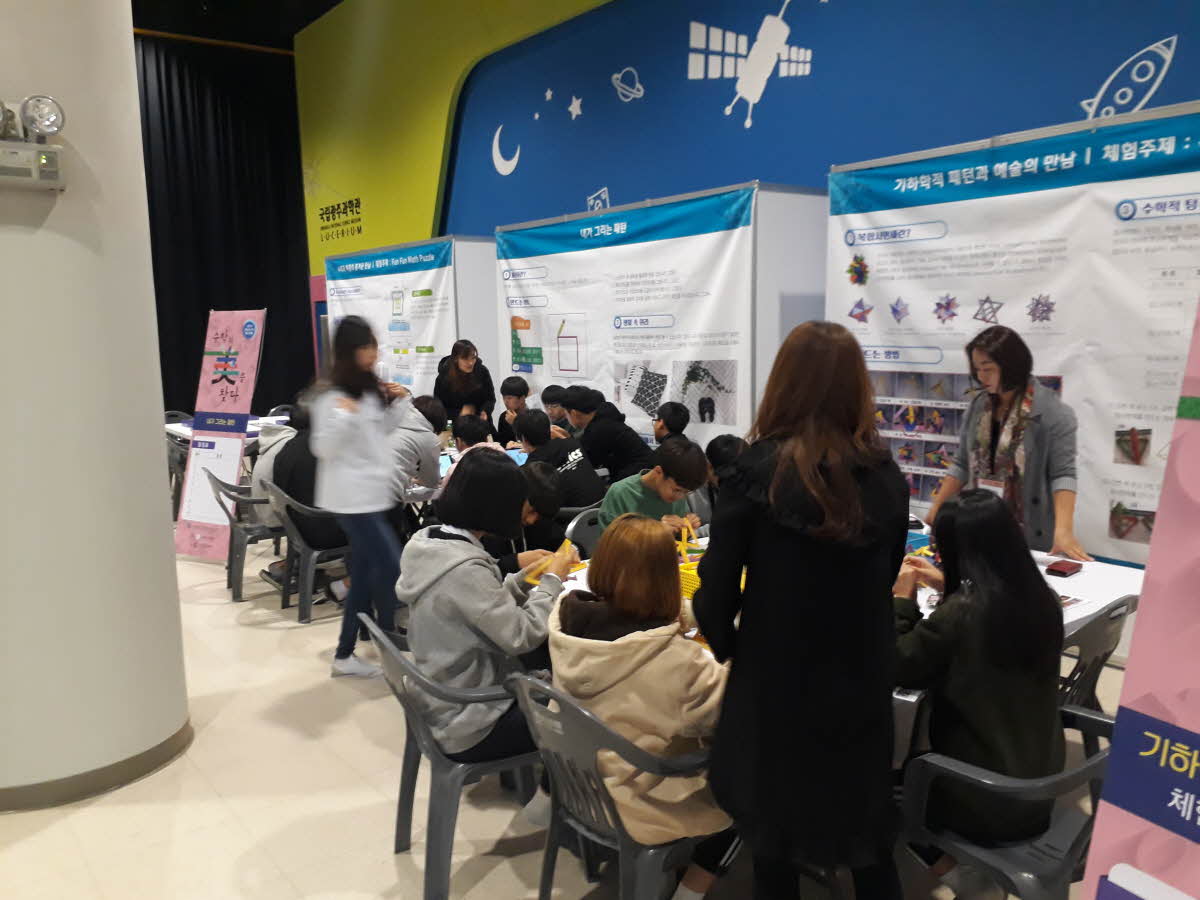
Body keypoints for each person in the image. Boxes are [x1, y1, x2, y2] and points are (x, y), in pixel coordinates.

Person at [693, 321, 908, 900]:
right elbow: (886, 575)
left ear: (783, 383)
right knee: (865, 832)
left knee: (773, 839)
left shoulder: (753, 472)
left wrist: (733, 648)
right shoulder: (885, 475)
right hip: (859, 675)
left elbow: (716, 588)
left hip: (775, 678)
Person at [549, 514, 740, 900]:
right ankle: (690, 892)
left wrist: (687, 615)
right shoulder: (680, 663)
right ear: (668, 578)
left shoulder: (566, 622)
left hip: (580, 783)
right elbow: (733, 716)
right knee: (751, 794)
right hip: (644, 799)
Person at [894, 490, 1065, 898]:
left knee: (880, 794)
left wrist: (902, 600)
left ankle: (966, 880)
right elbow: (988, 614)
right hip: (1041, 786)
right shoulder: (1043, 600)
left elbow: (899, 665)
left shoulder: (962, 615)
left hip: (987, 797)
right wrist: (948, 586)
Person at [395, 449, 573, 761]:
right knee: (586, 713)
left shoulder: (430, 541)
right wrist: (552, 581)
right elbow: (521, 636)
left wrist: (524, 578)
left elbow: (480, 602)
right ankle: (555, 790)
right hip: (471, 718)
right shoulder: (465, 569)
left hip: (444, 699)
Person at [927, 325, 1088, 560]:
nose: (981, 377)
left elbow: (1063, 474)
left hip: (1027, 533)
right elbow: (961, 463)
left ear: (1011, 366)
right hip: (979, 523)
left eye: (988, 369)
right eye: (977, 369)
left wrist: (1063, 530)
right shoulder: (979, 406)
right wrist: (936, 507)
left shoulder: (1052, 411)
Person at [311, 316, 411, 678]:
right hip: (352, 501)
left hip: (374, 497)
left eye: (374, 345)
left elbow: (380, 433)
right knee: (392, 568)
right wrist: (343, 417)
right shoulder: (332, 397)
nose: (374, 353)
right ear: (350, 350)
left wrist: (399, 403)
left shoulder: (368, 390)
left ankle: (351, 651)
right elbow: (322, 447)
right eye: (367, 346)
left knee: (369, 573)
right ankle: (383, 639)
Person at [267, 397, 350, 604]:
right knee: (388, 525)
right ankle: (351, 585)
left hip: (295, 530)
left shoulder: (287, 448)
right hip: (322, 531)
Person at [598, 439, 707, 532]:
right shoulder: (620, 493)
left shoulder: (677, 488)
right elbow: (609, 544)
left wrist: (687, 529)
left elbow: (677, 537)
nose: (680, 497)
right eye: (677, 490)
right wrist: (657, 531)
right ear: (658, 472)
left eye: (686, 492)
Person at [481, 462, 568, 575]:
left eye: (539, 514)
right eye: (531, 511)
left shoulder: (540, 519)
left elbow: (563, 545)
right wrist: (516, 562)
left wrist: (572, 551)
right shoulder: (485, 524)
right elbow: (475, 573)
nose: (531, 521)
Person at [513, 409, 606, 508]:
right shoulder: (572, 443)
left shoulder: (530, 470)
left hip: (571, 514)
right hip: (604, 503)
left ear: (523, 438)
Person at [386, 395, 447, 541]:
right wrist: (419, 479)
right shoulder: (428, 438)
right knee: (391, 543)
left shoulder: (392, 422)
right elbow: (431, 482)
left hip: (359, 488)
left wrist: (411, 478)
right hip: (387, 496)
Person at [564, 385, 655, 481]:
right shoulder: (605, 419)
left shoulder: (598, 428)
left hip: (639, 477)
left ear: (573, 413)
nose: (566, 418)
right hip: (641, 472)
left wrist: (565, 441)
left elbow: (579, 463)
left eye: (566, 414)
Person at [689, 434, 748, 534]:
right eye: (726, 479)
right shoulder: (690, 489)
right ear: (708, 467)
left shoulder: (753, 486)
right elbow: (686, 532)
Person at [434, 338, 496, 423]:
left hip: (480, 422)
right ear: (456, 359)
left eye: (473, 358)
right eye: (465, 359)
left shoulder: (482, 371)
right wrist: (460, 413)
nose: (470, 363)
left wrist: (485, 411)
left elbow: (490, 399)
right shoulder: (443, 378)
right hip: (454, 424)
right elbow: (438, 408)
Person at [496, 375, 534, 447]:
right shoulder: (504, 417)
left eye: (509, 398)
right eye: (503, 397)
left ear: (522, 398)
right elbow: (502, 444)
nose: (505, 401)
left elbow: (534, 444)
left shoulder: (533, 417)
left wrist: (515, 423)